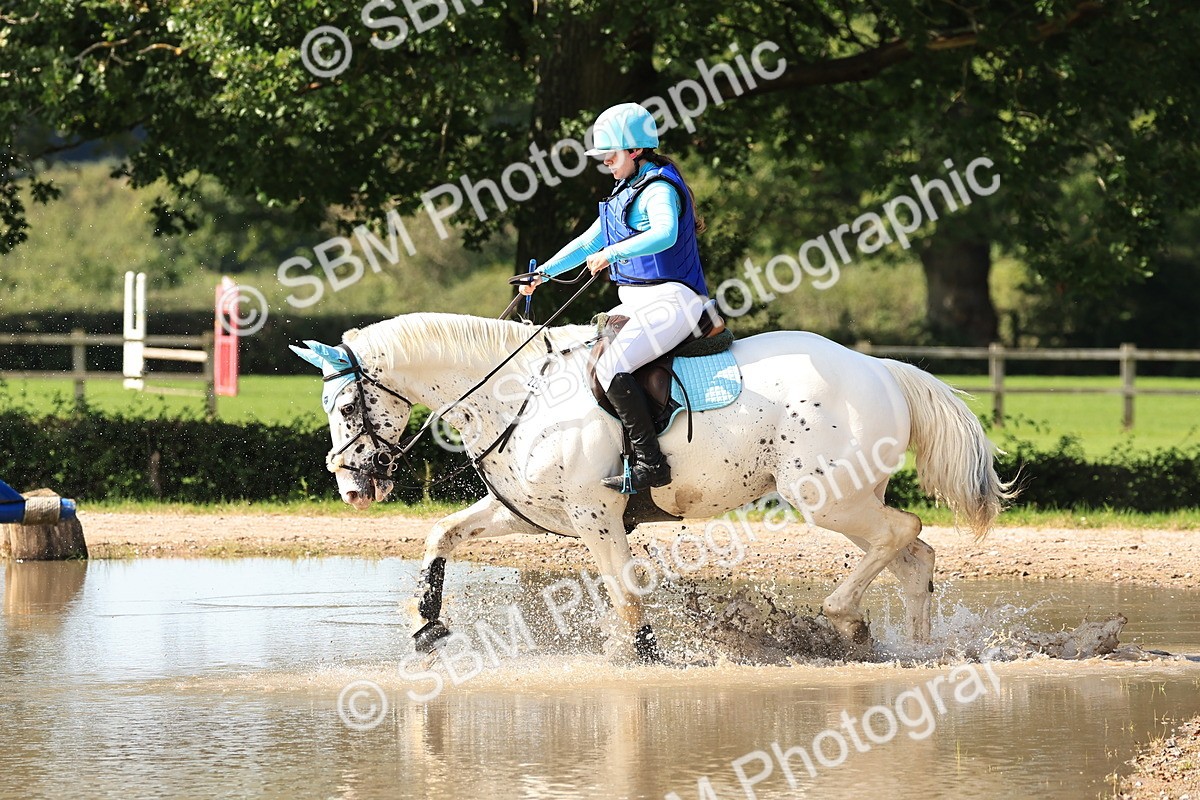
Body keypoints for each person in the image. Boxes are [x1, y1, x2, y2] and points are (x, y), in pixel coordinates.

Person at [520, 102, 711, 492]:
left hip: (674, 299)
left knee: (610, 368)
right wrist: (543, 274)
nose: (605, 161)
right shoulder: (626, 190)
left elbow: (665, 234)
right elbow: (588, 241)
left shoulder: (658, 188)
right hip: (641, 302)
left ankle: (651, 463)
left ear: (635, 150)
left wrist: (613, 253)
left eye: (611, 153)